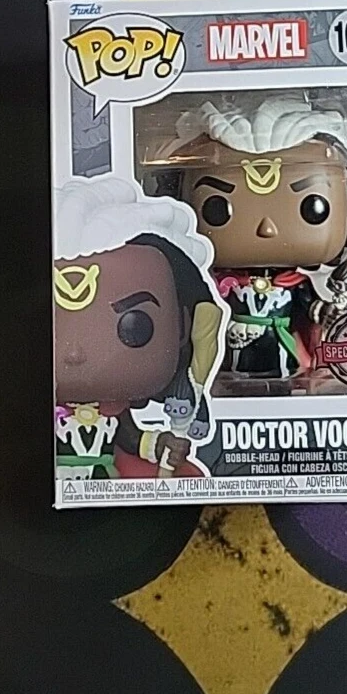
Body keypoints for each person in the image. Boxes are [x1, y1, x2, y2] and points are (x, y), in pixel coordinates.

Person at [151, 95, 347, 379]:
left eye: (312, 208)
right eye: (216, 209)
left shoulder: (297, 281)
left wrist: (328, 312)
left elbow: (313, 308)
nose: (268, 228)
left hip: (285, 352)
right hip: (224, 358)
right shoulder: (214, 283)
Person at [53, 177, 223, 479]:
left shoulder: (113, 410)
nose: (74, 353)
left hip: (107, 486)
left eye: (134, 328)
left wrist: (163, 445)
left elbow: (132, 439)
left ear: (182, 327)